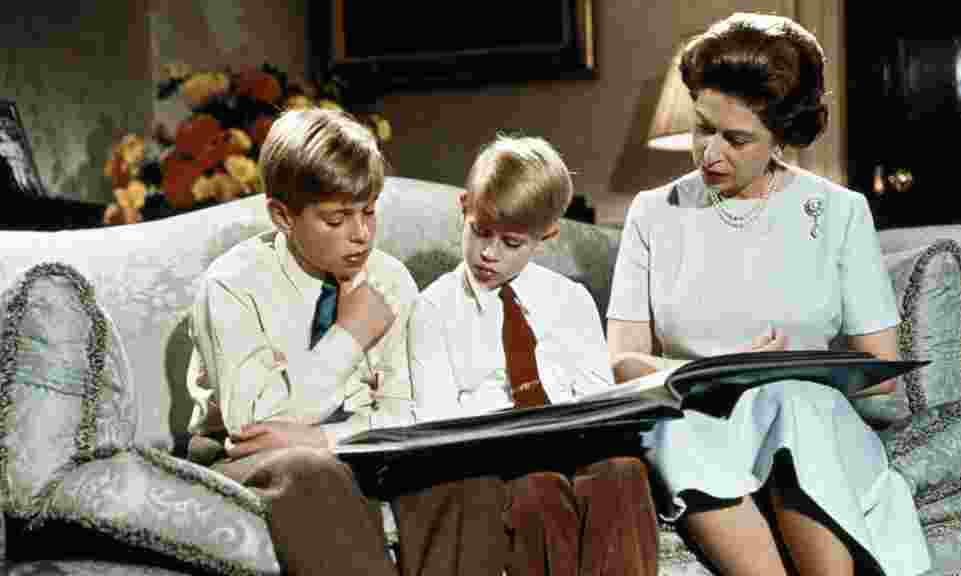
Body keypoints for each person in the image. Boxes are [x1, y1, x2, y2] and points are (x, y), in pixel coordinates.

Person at [606, 13, 931, 576]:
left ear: (782, 136)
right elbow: (621, 362)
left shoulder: (839, 212)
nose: (710, 153)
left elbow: (879, 366)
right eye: (702, 127)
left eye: (735, 139)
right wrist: (721, 370)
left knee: (794, 406)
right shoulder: (653, 214)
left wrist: (785, 371)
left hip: (809, 421)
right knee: (672, 431)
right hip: (697, 423)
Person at [186, 108, 508, 575]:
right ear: (283, 216)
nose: (360, 235)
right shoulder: (233, 285)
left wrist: (322, 437)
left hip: (353, 448)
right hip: (243, 460)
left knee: (463, 471)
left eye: (369, 212)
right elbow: (255, 426)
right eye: (336, 219)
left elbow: (415, 415)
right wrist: (352, 332)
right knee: (309, 473)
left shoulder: (390, 280)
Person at [407, 134, 658, 576]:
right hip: (497, 458)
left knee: (623, 472)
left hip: (573, 445)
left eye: (511, 243)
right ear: (464, 207)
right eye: (480, 232)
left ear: (546, 236)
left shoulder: (570, 299)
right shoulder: (433, 308)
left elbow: (597, 401)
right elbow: (437, 422)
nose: (488, 253)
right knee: (536, 493)